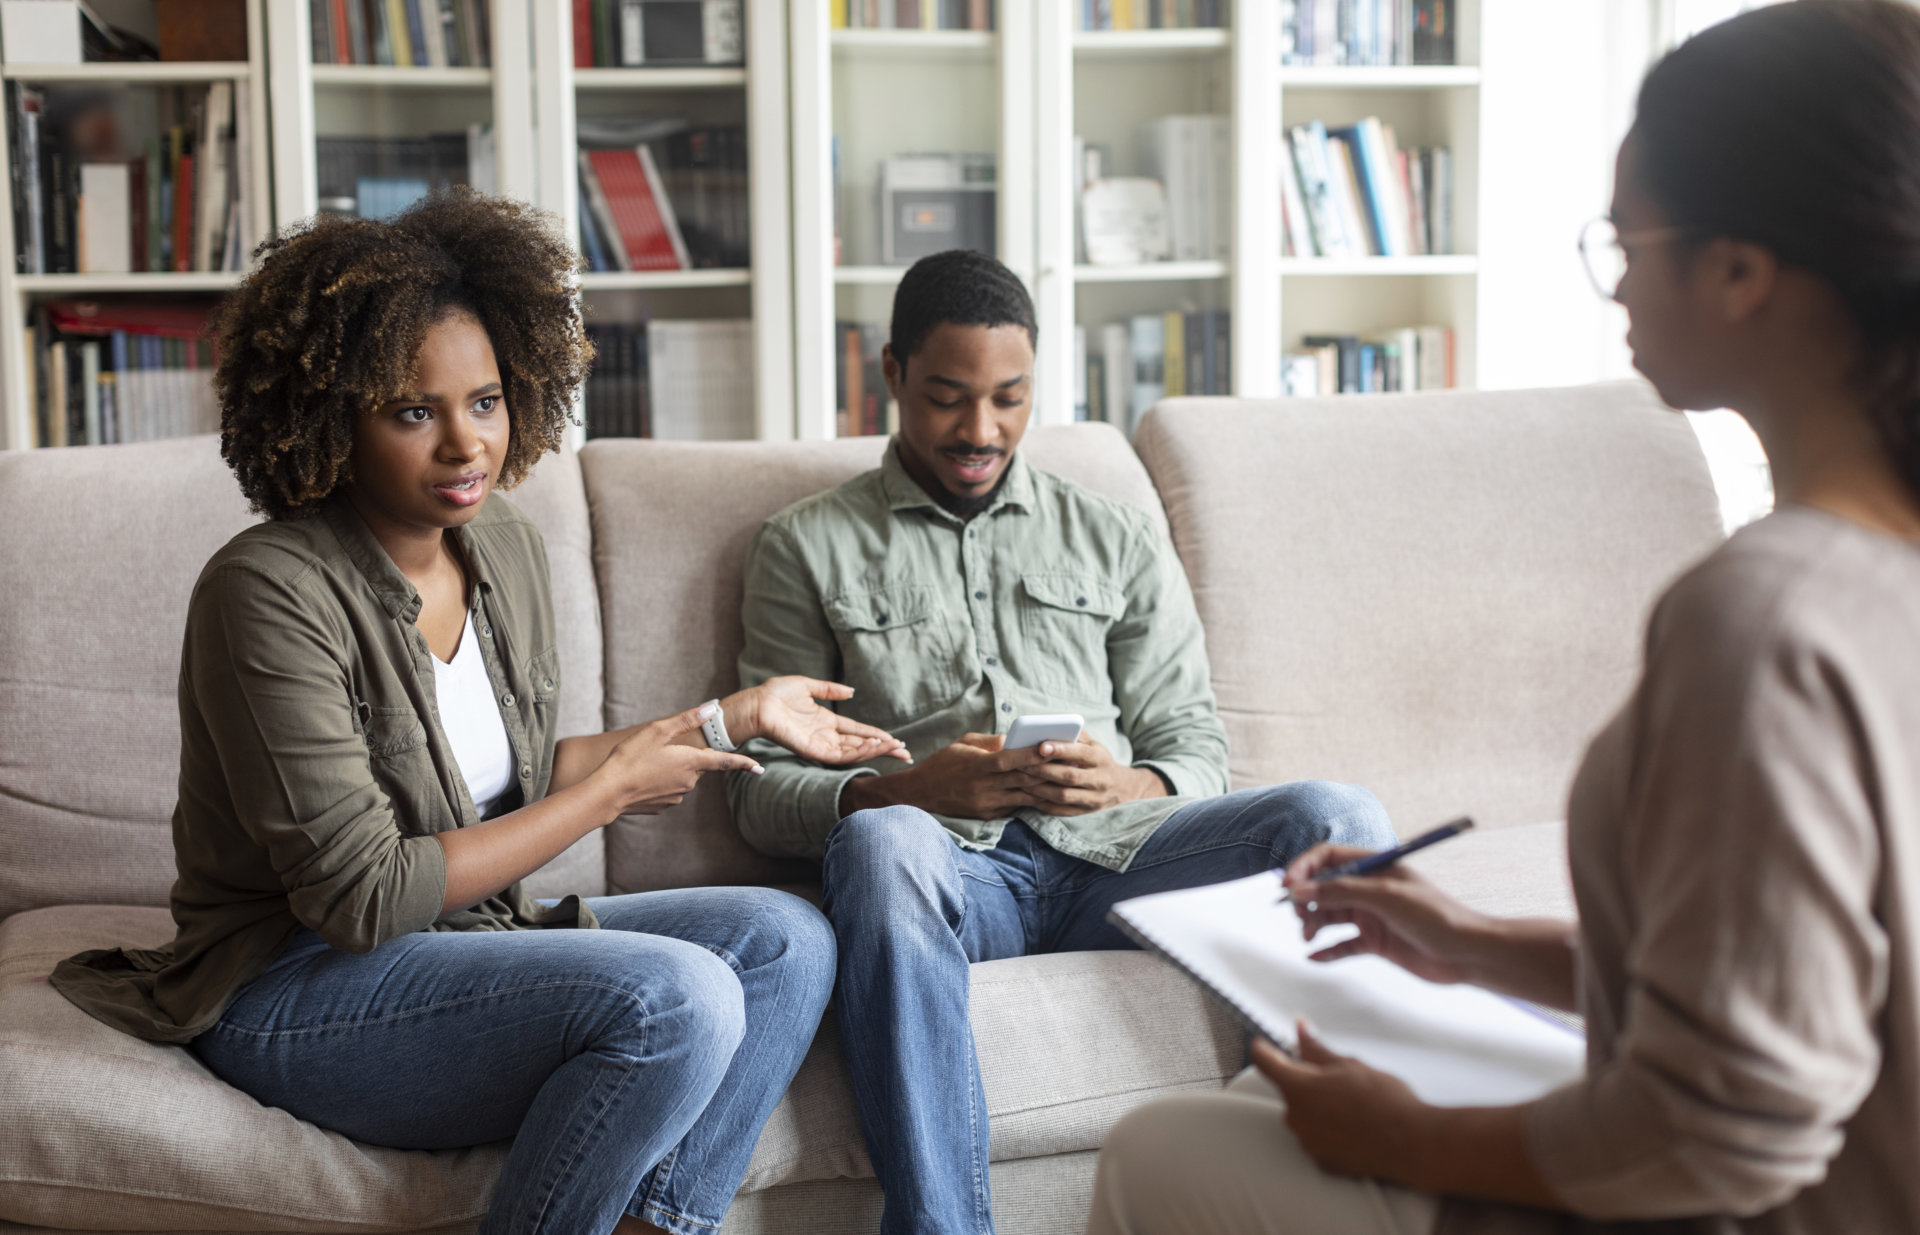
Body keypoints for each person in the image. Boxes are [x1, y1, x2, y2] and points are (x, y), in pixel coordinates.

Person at [1083, 4, 1920, 1233]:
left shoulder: (1766, 620)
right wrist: (1468, 941)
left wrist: (1398, 1132)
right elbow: (1775, 988)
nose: (1622, 279)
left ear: (1742, 271)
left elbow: (1726, 1128)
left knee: (1163, 1146)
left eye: (1633, 239)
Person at [49, 190, 907, 1235]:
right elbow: (363, 896)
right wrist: (606, 800)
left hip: (467, 938)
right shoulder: (266, 590)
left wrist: (730, 717)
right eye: (415, 411)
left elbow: (501, 773)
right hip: (296, 986)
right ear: (333, 416)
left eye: (487, 400)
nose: (467, 443)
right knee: (680, 997)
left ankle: (649, 1224)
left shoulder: (501, 548)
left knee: (785, 937)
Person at [726, 248, 1398, 1234]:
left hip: (1118, 864)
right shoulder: (802, 545)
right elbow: (755, 790)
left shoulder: (1117, 536)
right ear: (894, 374)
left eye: (1010, 397)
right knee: (879, 842)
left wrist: (1129, 781)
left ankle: (1330, 1188)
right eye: (950, 397)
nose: (981, 430)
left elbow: (1194, 743)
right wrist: (911, 788)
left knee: (1337, 815)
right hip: (952, 879)